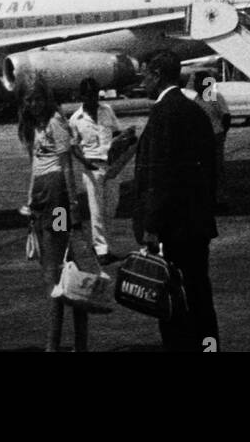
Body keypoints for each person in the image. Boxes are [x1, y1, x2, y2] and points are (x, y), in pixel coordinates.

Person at [134, 49, 219, 353]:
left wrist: (151, 226)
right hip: (197, 222)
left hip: (174, 228)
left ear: (157, 75)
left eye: (144, 74)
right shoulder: (194, 110)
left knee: (170, 301)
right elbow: (211, 166)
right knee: (199, 296)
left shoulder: (162, 113)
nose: (141, 80)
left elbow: (161, 175)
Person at [19, 78, 89, 353]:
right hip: (41, 199)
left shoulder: (55, 122)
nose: (34, 104)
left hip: (58, 199)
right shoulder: (33, 126)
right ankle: (64, 342)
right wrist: (29, 201)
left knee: (56, 268)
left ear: (46, 100)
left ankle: (54, 344)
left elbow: (66, 166)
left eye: (38, 99)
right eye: (29, 100)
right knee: (54, 267)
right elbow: (36, 164)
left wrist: (72, 206)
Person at [69, 76, 134, 264]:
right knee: (96, 209)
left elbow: (116, 133)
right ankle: (101, 249)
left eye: (95, 95)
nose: (93, 99)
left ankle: (106, 244)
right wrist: (84, 161)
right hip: (92, 167)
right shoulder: (76, 119)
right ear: (81, 96)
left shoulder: (107, 111)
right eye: (88, 96)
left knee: (111, 207)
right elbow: (74, 146)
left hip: (112, 165)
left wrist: (126, 137)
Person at [183, 71, 231, 203]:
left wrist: (222, 134)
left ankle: (220, 198)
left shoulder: (215, 97)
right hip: (200, 138)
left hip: (215, 136)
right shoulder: (195, 99)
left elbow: (226, 116)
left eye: (197, 82)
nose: (194, 85)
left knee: (217, 168)